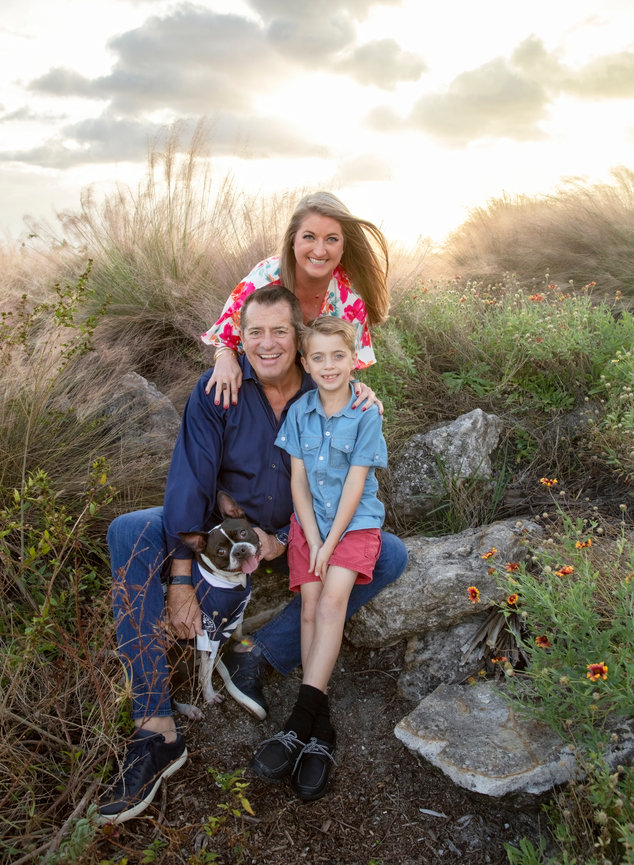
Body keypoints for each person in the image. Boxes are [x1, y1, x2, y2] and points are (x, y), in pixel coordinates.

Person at [98, 287, 408, 824]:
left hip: (304, 527)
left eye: (280, 332)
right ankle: (155, 727)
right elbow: (191, 479)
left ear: (299, 338)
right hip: (223, 528)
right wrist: (179, 578)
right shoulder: (220, 386)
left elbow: (342, 474)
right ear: (239, 338)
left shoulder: (328, 384)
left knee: (390, 555)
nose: (267, 345)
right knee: (128, 531)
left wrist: (286, 539)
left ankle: (257, 653)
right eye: (254, 333)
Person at [249, 317, 386, 801]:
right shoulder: (300, 412)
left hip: (352, 526)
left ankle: (297, 721)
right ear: (306, 364)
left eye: (339, 356)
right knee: (308, 608)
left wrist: (329, 545)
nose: (329, 366)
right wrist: (310, 537)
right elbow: (298, 483)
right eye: (319, 358)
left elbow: (354, 485)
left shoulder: (366, 413)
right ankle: (321, 731)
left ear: (355, 360)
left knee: (330, 606)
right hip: (308, 527)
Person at [201, 191, 390, 409]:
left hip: (312, 395)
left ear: (343, 245)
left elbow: (344, 368)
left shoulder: (350, 299)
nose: (319, 250)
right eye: (309, 237)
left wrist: (357, 387)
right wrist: (225, 358)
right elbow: (227, 338)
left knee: (367, 410)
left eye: (331, 239)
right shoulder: (265, 278)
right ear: (293, 240)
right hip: (254, 385)